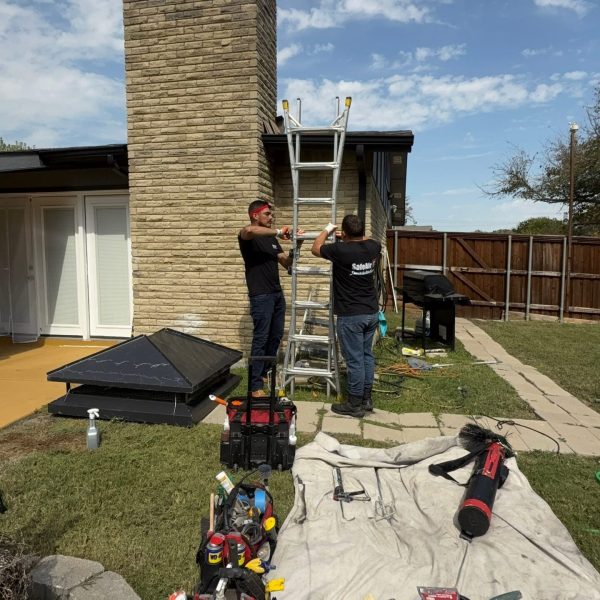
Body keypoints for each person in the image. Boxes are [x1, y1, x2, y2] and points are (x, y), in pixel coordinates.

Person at [311, 214, 381, 418]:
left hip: (351, 315)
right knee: (367, 355)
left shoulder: (339, 250)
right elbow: (366, 239)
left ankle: (354, 404)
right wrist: (350, 235)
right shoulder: (373, 246)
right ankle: (367, 399)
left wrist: (328, 229)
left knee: (355, 360)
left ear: (345, 233)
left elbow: (316, 248)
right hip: (371, 312)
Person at [239, 199, 300, 398]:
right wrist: (279, 232)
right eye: (267, 214)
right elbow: (249, 231)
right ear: (255, 215)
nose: (271, 217)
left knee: (275, 336)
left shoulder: (271, 239)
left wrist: (296, 246)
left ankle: (264, 373)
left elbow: (286, 263)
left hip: (276, 294)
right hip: (261, 295)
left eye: (271, 215)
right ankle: (255, 386)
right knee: (261, 338)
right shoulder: (247, 235)